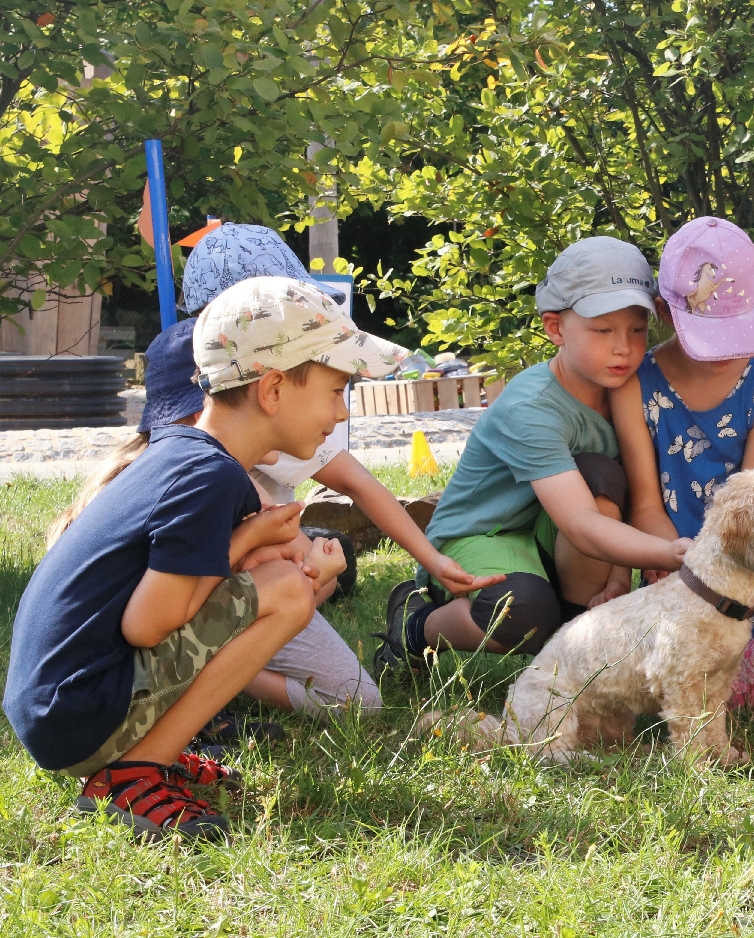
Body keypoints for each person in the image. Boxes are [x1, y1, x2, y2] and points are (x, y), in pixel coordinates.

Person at [3, 276, 408, 840]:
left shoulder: (188, 457)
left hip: (62, 711)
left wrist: (260, 539)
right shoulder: (207, 478)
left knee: (279, 582)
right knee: (285, 590)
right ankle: (133, 772)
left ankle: (147, 751)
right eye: (336, 390)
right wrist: (250, 544)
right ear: (272, 390)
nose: (340, 413)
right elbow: (147, 624)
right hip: (77, 717)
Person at [178, 224, 498, 719]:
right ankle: (210, 675)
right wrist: (301, 563)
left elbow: (356, 482)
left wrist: (431, 561)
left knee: (323, 574)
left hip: (241, 563)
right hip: (207, 577)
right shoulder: (214, 436)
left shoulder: (266, 405)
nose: (341, 412)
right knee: (352, 695)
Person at [376, 236, 691, 673]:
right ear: (555, 328)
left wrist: (619, 578)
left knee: (600, 474)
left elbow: (622, 497)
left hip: (552, 532)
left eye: (637, 329)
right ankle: (416, 627)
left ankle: (575, 636)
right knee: (522, 614)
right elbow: (583, 526)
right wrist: (675, 555)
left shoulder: (632, 390)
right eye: (603, 330)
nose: (624, 347)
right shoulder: (531, 406)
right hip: (483, 535)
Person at [609, 217, 754, 705]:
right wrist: (677, 563)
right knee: (679, 667)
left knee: (738, 681)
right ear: (665, 314)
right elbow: (646, 500)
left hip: (744, 563)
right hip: (666, 558)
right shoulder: (636, 385)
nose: (723, 352)